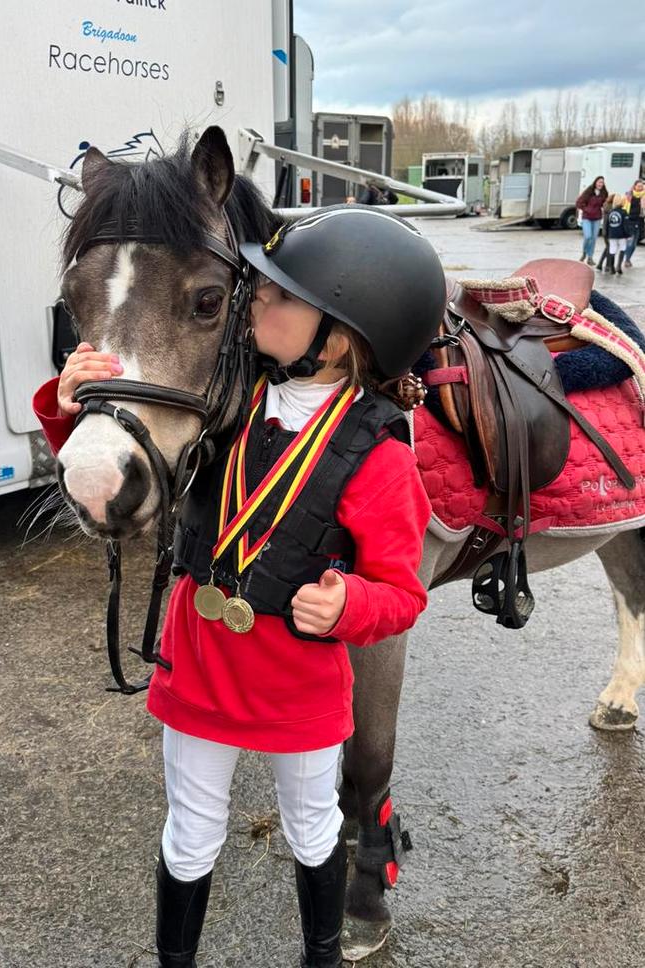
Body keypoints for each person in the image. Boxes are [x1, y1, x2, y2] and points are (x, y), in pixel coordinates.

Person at [33, 206, 446, 967]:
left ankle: (320, 954)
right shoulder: (229, 400)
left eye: (282, 294)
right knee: (190, 828)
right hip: (199, 668)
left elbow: (402, 594)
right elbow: (137, 455)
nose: (256, 297)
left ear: (344, 332)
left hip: (298, 683)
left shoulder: (378, 455)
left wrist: (350, 604)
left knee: (312, 826)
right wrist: (72, 412)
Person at [576, 175, 608, 265]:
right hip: (587, 217)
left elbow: (605, 204)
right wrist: (586, 209)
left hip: (597, 218)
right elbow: (578, 203)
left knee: (593, 239)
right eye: (599, 182)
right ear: (595, 182)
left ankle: (590, 257)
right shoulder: (589, 191)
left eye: (602, 182)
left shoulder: (604, 193)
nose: (600, 184)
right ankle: (584, 253)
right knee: (588, 236)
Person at [605, 194, 630, 274]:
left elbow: (607, 224)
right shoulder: (624, 212)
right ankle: (618, 267)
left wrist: (607, 234)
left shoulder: (610, 212)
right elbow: (625, 225)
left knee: (612, 250)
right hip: (621, 235)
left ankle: (611, 267)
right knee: (622, 249)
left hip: (612, 235)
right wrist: (628, 235)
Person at [623, 178, 645, 267]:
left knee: (635, 243)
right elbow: (624, 207)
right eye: (638, 186)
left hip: (639, 222)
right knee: (631, 242)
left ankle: (627, 258)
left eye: (641, 186)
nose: (640, 188)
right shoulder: (629, 195)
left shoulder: (644, 196)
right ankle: (626, 260)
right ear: (634, 186)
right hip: (630, 221)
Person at [596, 193, 616, 271]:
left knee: (608, 248)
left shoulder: (607, 207)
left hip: (606, 232)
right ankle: (605, 265)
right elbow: (607, 223)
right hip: (608, 232)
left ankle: (603, 264)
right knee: (609, 248)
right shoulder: (610, 210)